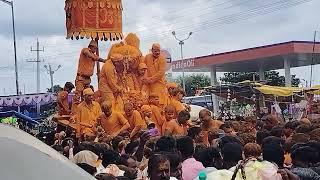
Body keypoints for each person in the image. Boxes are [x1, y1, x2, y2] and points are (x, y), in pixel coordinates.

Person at [73, 40, 106, 111]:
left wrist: (105, 61)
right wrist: (94, 57)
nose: (96, 50)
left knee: (86, 97)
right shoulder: (85, 50)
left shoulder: (94, 55)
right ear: (92, 47)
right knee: (77, 96)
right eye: (95, 48)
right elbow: (88, 54)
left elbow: (99, 59)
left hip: (88, 79)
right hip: (81, 78)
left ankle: (84, 111)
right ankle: (74, 113)